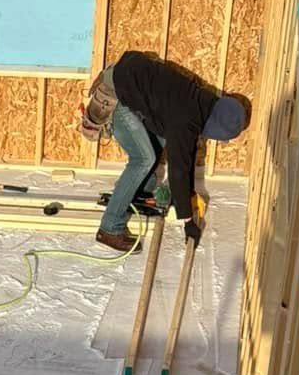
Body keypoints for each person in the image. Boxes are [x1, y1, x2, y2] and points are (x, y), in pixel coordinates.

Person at [80, 52, 248, 247]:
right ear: (218, 129)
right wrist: (187, 220)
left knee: (159, 140)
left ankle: (140, 188)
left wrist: (185, 194)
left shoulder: (201, 102)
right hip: (115, 96)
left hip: (125, 75)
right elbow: (178, 170)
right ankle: (109, 228)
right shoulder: (185, 120)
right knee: (143, 159)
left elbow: (186, 154)